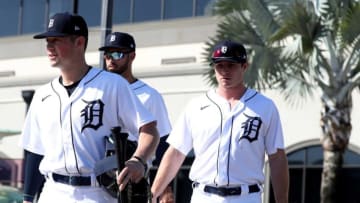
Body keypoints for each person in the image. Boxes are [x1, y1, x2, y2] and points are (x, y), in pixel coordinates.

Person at [19, 12, 159, 203]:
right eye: (47, 41)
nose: (49, 46)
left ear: (79, 42)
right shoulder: (43, 95)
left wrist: (138, 160)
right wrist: (27, 198)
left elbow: (149, 130)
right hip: (52, 191)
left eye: (56, 40)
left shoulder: (112, 85)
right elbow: (35, 151)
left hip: (96, 192)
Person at [151, 40, 289, 203]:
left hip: (246, 197)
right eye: (219, 65)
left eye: (230, 65)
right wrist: (152, 195)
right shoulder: (197, 106)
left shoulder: (265, 106)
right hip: (204, 196)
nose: (224, 71)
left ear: (244, 66)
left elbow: (277, 158)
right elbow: (176, 153)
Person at [99, 32, 174, 203]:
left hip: (134, 179)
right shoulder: (98, 93)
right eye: (108, 54)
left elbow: (162, 143)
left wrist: (165, 188)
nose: (111, 59)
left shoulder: (149, 95)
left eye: (117, 54)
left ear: (132, 56)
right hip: (100, 178)